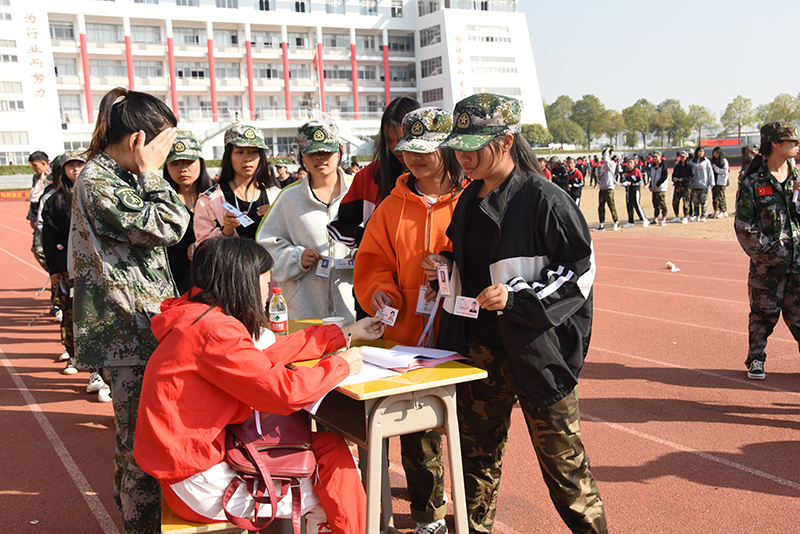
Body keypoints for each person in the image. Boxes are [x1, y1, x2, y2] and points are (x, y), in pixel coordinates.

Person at [428, 93, 607, 534]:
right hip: (479, 351)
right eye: (459, 146)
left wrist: (518, 298)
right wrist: (446, 267)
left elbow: (579, 274)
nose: (463, 157)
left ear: (506, 141)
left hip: (537, 355)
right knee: (475, 464)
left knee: (566, 474)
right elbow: (471, 261)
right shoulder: (469, 199)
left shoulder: (546, 199)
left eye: (473, 146)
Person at [134, 236, 386, 534]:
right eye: (265, 284)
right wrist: (341, 365)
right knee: (341, 476)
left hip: (187, 466)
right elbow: (284, 392)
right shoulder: (215, 330)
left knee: (330, 449)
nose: (267, 294)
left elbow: (264, 354)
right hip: (199, 483)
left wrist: (343, 335)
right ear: (243, 283)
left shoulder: (197, 315)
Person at [70, 87, 190, 534]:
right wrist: (154, 175)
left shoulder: (116, 178)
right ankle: (141, 527)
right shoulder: (99, 182)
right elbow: (170, 225)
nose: (168, 153)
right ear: (140, 140)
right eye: (164, 144)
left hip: (139, 328)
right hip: (127, 333)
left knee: (141, 439)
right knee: (141, 444)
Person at [354, 107, 466, 534]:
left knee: (468, 430)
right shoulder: (390, 206)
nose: (414, 160)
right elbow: (373, 261)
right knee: (415, 430)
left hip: (461, 334)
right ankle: (429, 515)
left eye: (425, 151)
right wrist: (378, 289)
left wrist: (451, 269)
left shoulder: (471, 199)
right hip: (407, 342)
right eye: (407, 152)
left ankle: (473, 510)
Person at [258, 120, 355, 323]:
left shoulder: (359, 192)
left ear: (340, 150)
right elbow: (266, 245)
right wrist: (296, 258)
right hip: (304, 314)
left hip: (354, 310)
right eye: (311, 152)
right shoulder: (288, 198)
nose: (319, 158)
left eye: (326, 151)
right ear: (302, 155)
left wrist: (364, 254)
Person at [734, 121, 800, 381]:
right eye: (792, 141)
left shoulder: (797, 177)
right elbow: (743, 226)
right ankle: (756, 359)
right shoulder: (754, 181)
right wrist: (769, 253)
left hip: (797, 261)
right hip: (768, 265)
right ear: (775, 143)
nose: (796, 145)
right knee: (763, 314)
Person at [327, 96, 420, 250]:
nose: (396, 147)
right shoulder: (370, 175)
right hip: (383, 270)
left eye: (402, 139)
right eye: (390, 140)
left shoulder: (442, 175)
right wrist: (370, 242)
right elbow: (340, 226)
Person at [194, 124, 281, 245]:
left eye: (254, 152)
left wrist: (277, 219)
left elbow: (290, 239)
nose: (247, 158)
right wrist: (225, 232)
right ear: (229, 156)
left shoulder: (276, 196)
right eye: (239, 152)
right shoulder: (208, 201)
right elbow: (201, 246)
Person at [163, 135, 214, 294]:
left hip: (213, 280)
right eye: (175, 163)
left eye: (188, 162)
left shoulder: (216, 198)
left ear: (200, 163)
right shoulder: (162, 202)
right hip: (177, 285)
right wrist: (184, 252)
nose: (182, 169)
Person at [594, 147, 619, 231]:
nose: (604, 157)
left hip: (609, 188)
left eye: (605, 155)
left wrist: (607, 151)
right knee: (601, 207)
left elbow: (607, 160)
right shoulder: (603, 166)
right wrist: (597, 175)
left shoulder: (611, 164)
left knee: (611, 206)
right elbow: (600, 180)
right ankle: (601, 224)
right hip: (602, 188)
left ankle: (616, 222)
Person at [621, 157, 648, 228]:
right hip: (628, 191)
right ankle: (630, 221)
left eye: (631, 162)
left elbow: (640, 181)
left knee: (636, 204)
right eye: (628, 163)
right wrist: (624, 184)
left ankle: (644, 219)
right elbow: (625, 180)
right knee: (629, 205)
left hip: (635, 190)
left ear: (634, 164)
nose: (629, 164)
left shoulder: (636, 170)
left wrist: (632, 184)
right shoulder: (627, 172)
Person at [689, 147, 714, 222]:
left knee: (703, 201)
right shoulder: (692, 162)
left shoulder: (706, 161)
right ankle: (696, 215)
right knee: (695, 201)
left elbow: (710, 172)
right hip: (694, 185)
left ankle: (703, 215)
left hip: (704, 184)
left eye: (702, 151)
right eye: (699, 151)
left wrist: (711, 182)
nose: (701, 153)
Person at [648, 150, 669, 226]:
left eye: (656, 156)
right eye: (654, 157)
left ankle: (664, 219)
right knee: (655, 204)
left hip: (661, 188)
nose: (655, 158)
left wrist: (658, 185)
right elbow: (652, 177)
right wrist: (651, 185)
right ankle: (655, 218)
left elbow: (664, 176)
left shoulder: (663, 165)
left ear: (660, 157)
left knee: (662, 203)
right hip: (654, 188)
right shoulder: (653, 166)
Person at [670, 151, 692, 223]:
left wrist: (683, 179)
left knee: (686, 202)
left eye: (684, 157)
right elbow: (673, 175)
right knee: (675, 201)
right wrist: (674, 179)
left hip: (686, 186)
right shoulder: (677, 166)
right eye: (681, 156)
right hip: (678, 186)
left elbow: (691, 176)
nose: (682, 158)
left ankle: (686, 216)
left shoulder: (689, 166)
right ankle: (676, 216)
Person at [710, 147, 729, 218]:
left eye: (717, 153)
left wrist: (716, 168)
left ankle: (723, 211)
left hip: (721, 182)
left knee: (721, 196)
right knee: (715, 197)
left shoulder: (724, 161)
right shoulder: (714, 161)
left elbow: (725, 171)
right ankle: (716, 210)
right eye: (714, 153)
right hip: (714, 181)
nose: (715, 155)